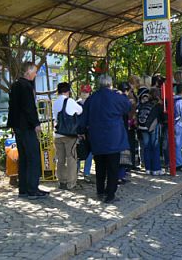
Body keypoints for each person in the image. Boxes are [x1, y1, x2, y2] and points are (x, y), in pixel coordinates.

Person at [78, 74, 131, 203]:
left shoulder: (91, 99)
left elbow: (83, 119)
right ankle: (110, 194)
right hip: (114, 138)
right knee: (113, 168)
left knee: (100, 166)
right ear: (110, 84)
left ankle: (100, 191)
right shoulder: (116, 97)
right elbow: (127, 107)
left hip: (96, 138)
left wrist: (81, 132)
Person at [7, 62, 49, 199]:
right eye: (35, 71)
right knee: (33, 157)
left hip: (18, 127)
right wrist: (36, 123)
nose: (36, 74)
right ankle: (32, 189)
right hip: (27, 126)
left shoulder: (15, 85)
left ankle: (23, 189)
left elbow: (13, 108)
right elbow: (29, 107)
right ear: (28, 71)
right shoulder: (26, 86)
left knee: (24, 158)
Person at [52, 82, 83, 190]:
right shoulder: (69, 101)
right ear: (68, 91)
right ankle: (71, 183)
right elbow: (80, 111)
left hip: (58, 134)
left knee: (60, 159)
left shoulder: (55, 102)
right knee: (71, 158)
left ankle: (61, 182)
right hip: (69, 135)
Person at [137, 87, 164, 176]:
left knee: (146, 147)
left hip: (143, 127)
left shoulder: (145, 103)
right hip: (154, 127)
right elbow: (162, 117)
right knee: (155, 147)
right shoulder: (158, 105)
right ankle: (156, 169)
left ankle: (147, 168)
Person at [77, 84, 93, 183]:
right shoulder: (76, 104)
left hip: (90, 132)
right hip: (79, 131)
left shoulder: (92, 104)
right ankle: (77, 171)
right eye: (83, 92)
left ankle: (86, 172)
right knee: (78, 151)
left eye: (86, 92)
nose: (85, 94)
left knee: (90, 153)